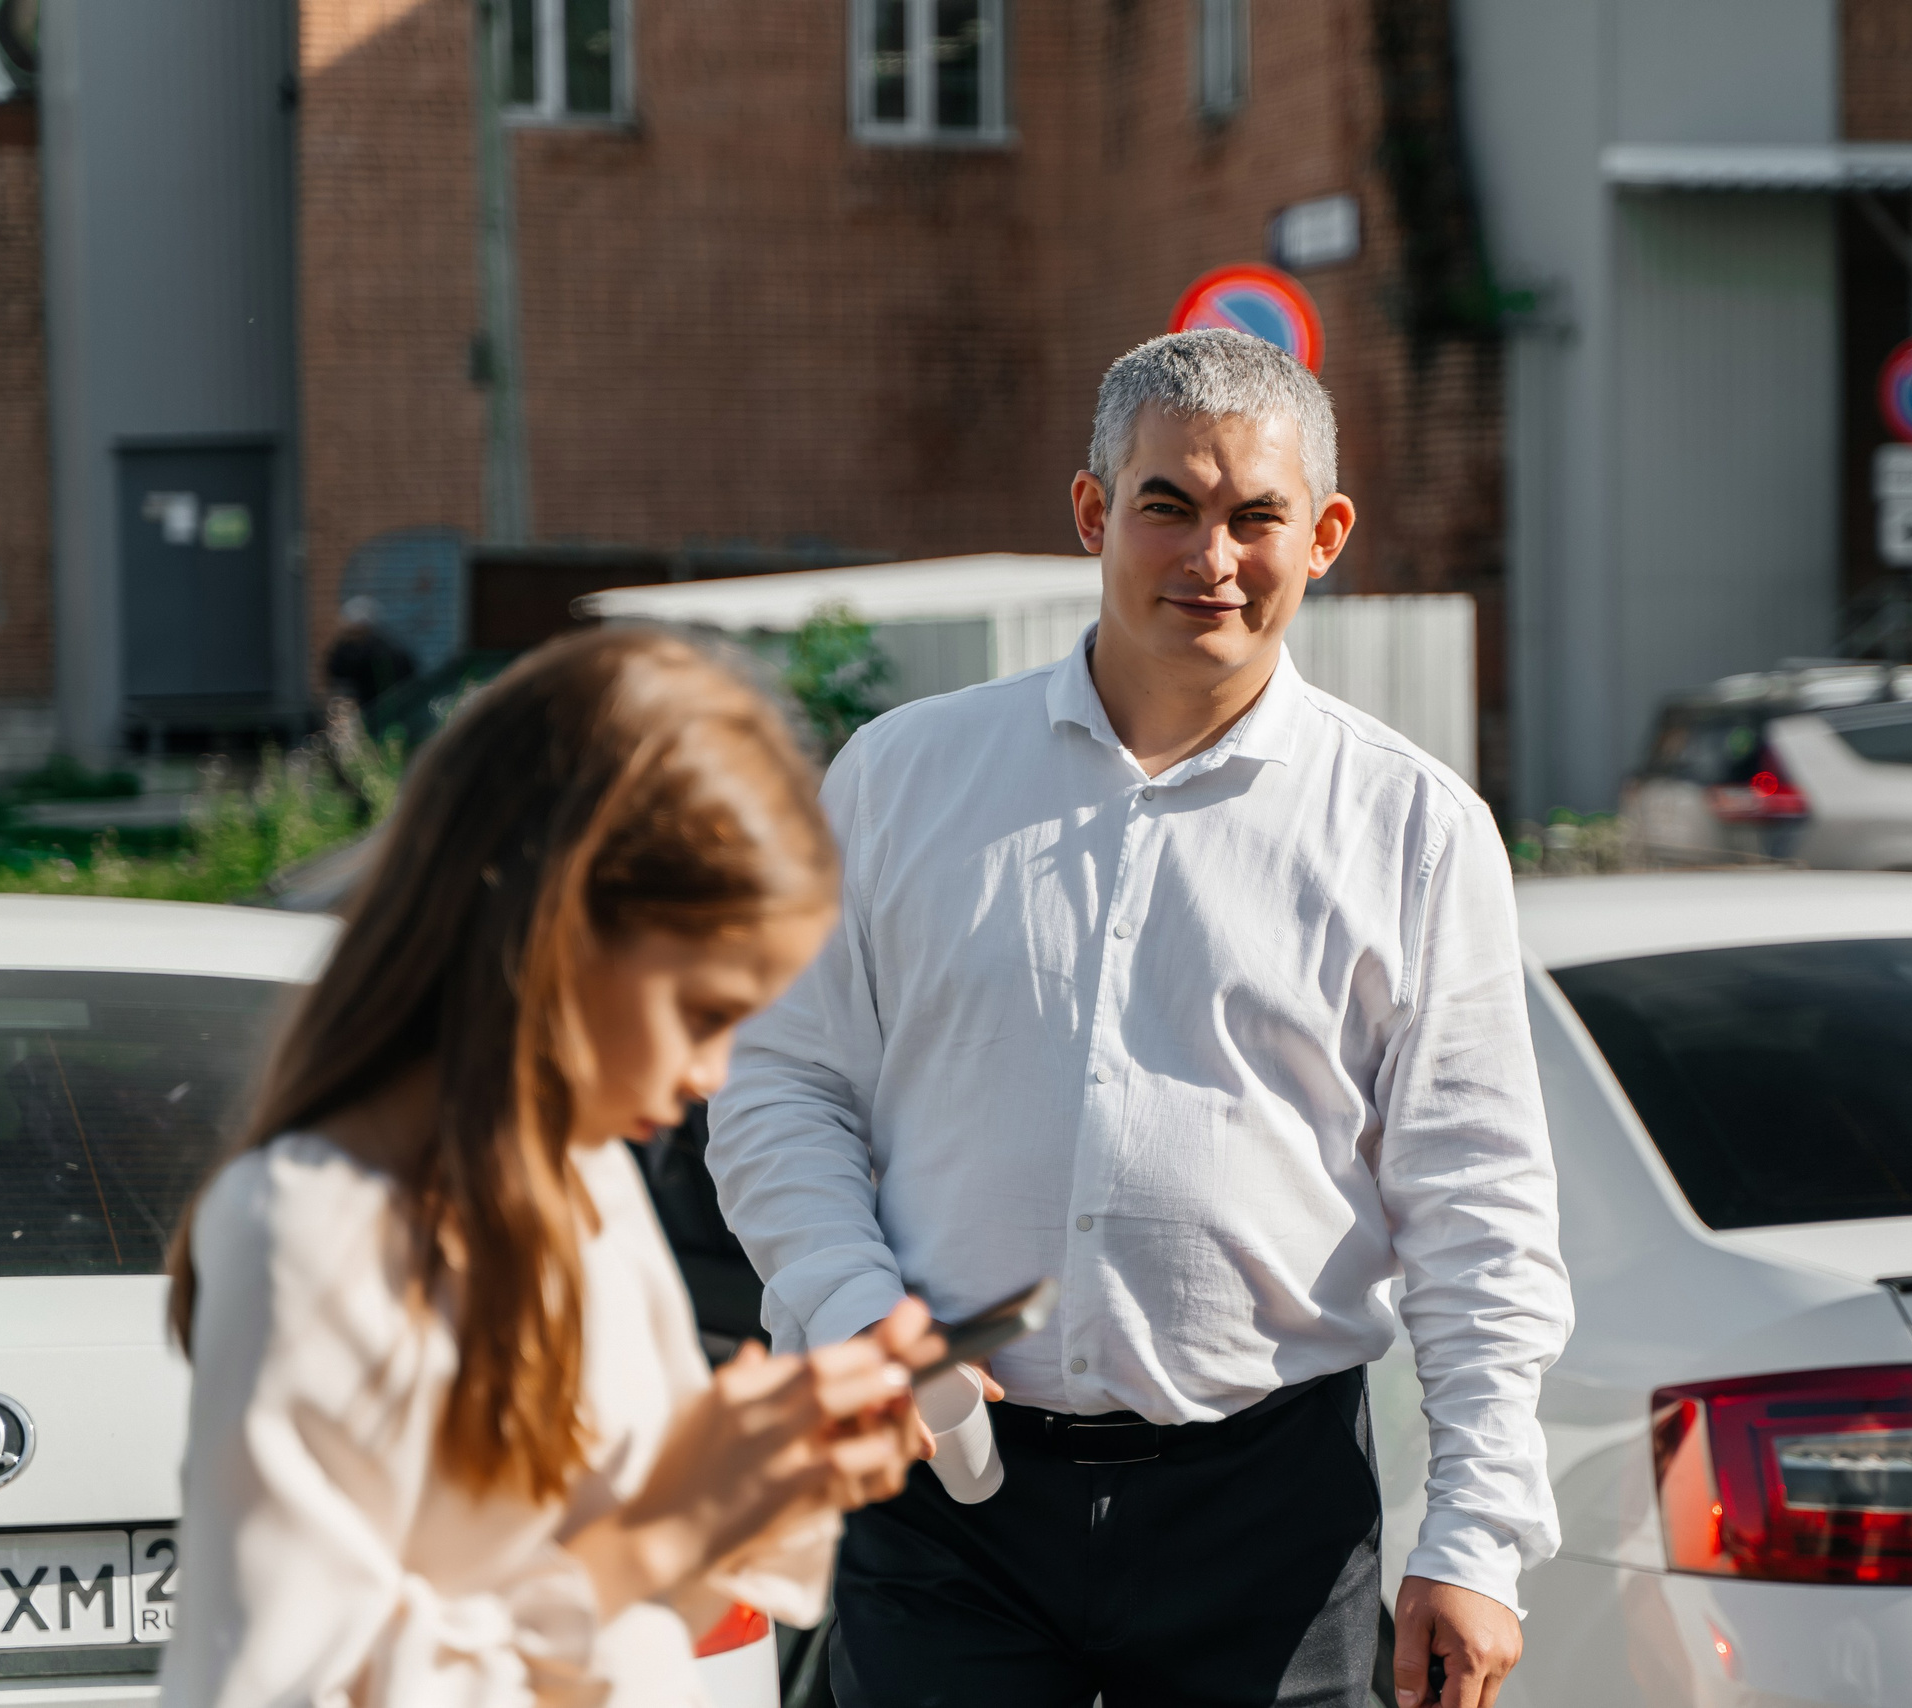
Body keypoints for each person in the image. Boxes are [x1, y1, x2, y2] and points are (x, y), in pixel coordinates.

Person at [709, 330, 1573, 1708]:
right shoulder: (898, 778)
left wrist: (1477, 1536)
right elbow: (780, 1084)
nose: (1211, 557)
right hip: (944, 1507)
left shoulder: (1412, 827)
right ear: (1092, 511)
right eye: (1168, 504)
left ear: (1326, 536)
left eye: (1257, 516)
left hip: (1270, 1516)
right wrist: (858, 1309)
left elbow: (1478, 1202)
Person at [162, 627, 941, 1708]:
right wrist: (667, 1531)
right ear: (557, 927)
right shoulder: (312, 1222)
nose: (712, 1073)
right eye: (701, 1011)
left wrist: (774, 1475)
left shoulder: (585, 1182)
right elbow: (291, 1687)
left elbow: (650, 1626)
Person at [327, 594, 418, 709]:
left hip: (384, 709)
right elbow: (336, 673)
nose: (350, 636)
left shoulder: (382, 651)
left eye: (353, 631)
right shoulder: (348, 649)